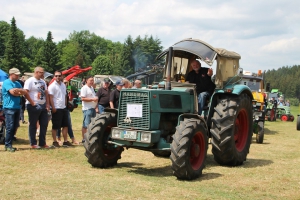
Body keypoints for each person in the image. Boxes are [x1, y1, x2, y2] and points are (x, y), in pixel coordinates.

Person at [2, 68, 30, 152]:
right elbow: (12, 93)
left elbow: (24, 92)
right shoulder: (7, 82)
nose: (18, 76)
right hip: (9, 107)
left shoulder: (18, 83)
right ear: (11, 74)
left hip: (17, 107)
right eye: (16, 74)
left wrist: (18, 91)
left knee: (15, 126)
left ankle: (9, 142)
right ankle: (8, 145)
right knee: (10, 127)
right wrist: (19, 92)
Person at [24, 66, 50, 149]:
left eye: (43, 72)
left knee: (44, 124)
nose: (43, 74)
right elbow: (25, 92)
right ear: (36, 72)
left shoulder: (43, 82)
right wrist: (32, 103)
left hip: (43, 105)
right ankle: (33, 143)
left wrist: (47, 104)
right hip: (33, 105)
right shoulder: (30, 81)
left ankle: (42, 142)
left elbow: (46, 93)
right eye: (41, 72)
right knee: (33, 124)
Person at [48, 71, 72, 147]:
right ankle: (55, 141)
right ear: (54, 77)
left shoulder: (63, 85)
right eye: (56, 76)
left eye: (59, 76)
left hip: (63, 108)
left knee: (65, 125)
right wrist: (53, 107)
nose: (58, 77)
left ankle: (65, 141)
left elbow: (65, 96)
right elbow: (50, 98)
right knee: (55, 126)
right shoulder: (52, 86)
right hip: (56, 108)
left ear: (62, 76)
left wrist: (65, 105)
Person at [56, 79, 79, 144]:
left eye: (67, 83)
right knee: (58, 125)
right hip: (59, 108)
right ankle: (58, 138)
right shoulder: (59, 89)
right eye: (65, 82)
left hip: (65, 109)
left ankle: (72, 139)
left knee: (68, 124)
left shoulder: (65, 90)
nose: (66, 84)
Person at [81, 76, 98, 143]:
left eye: (92, 80)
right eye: (90, 80)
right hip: (87, 109)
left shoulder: (91, 88)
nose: (92, 82)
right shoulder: (84, 88)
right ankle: (84, 139)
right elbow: (82, 98)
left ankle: (89, 138)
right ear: (86, 81)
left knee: (91, 125)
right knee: (86, 125)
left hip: (92, 108)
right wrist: (92, 99)